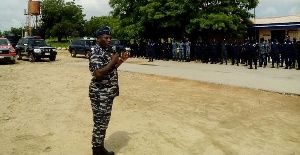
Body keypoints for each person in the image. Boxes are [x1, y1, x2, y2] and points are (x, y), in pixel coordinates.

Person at [89, 26, 130, 155]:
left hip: (108, 92)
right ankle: (96, 150)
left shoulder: (109, 50)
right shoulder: (95, 52)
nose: (109, 40)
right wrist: (113, 61)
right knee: (99, 122)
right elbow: (98, 73)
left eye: (110, 38)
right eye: (106, 38)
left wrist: (122, 59)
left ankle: (100, 148)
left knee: (104, 122)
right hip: (100, 93)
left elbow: (114, 67)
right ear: (98, 39)